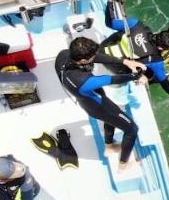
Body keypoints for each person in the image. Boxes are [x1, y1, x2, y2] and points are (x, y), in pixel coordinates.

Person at [55, 36, 146, 171]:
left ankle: (109, 147)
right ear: (83, 60)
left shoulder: (64, 55)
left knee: (111, 118)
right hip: (98, 106)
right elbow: (111, 79)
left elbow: (96, 57)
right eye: (92, 57)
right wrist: (136, 76)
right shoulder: (84, 81)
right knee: (132, 129)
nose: (95, 57)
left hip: (88, 100)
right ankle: (123, 166)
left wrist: (125, 61)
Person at [99, 0, 169, 102]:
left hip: (102, 48)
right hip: (112, 65)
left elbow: (110, 23)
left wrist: (110, 4)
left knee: (139, 57)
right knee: (150, 75)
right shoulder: (156, 60)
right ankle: (151, 79)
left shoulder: (136, 24)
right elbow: (163, 81)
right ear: (161, 48)